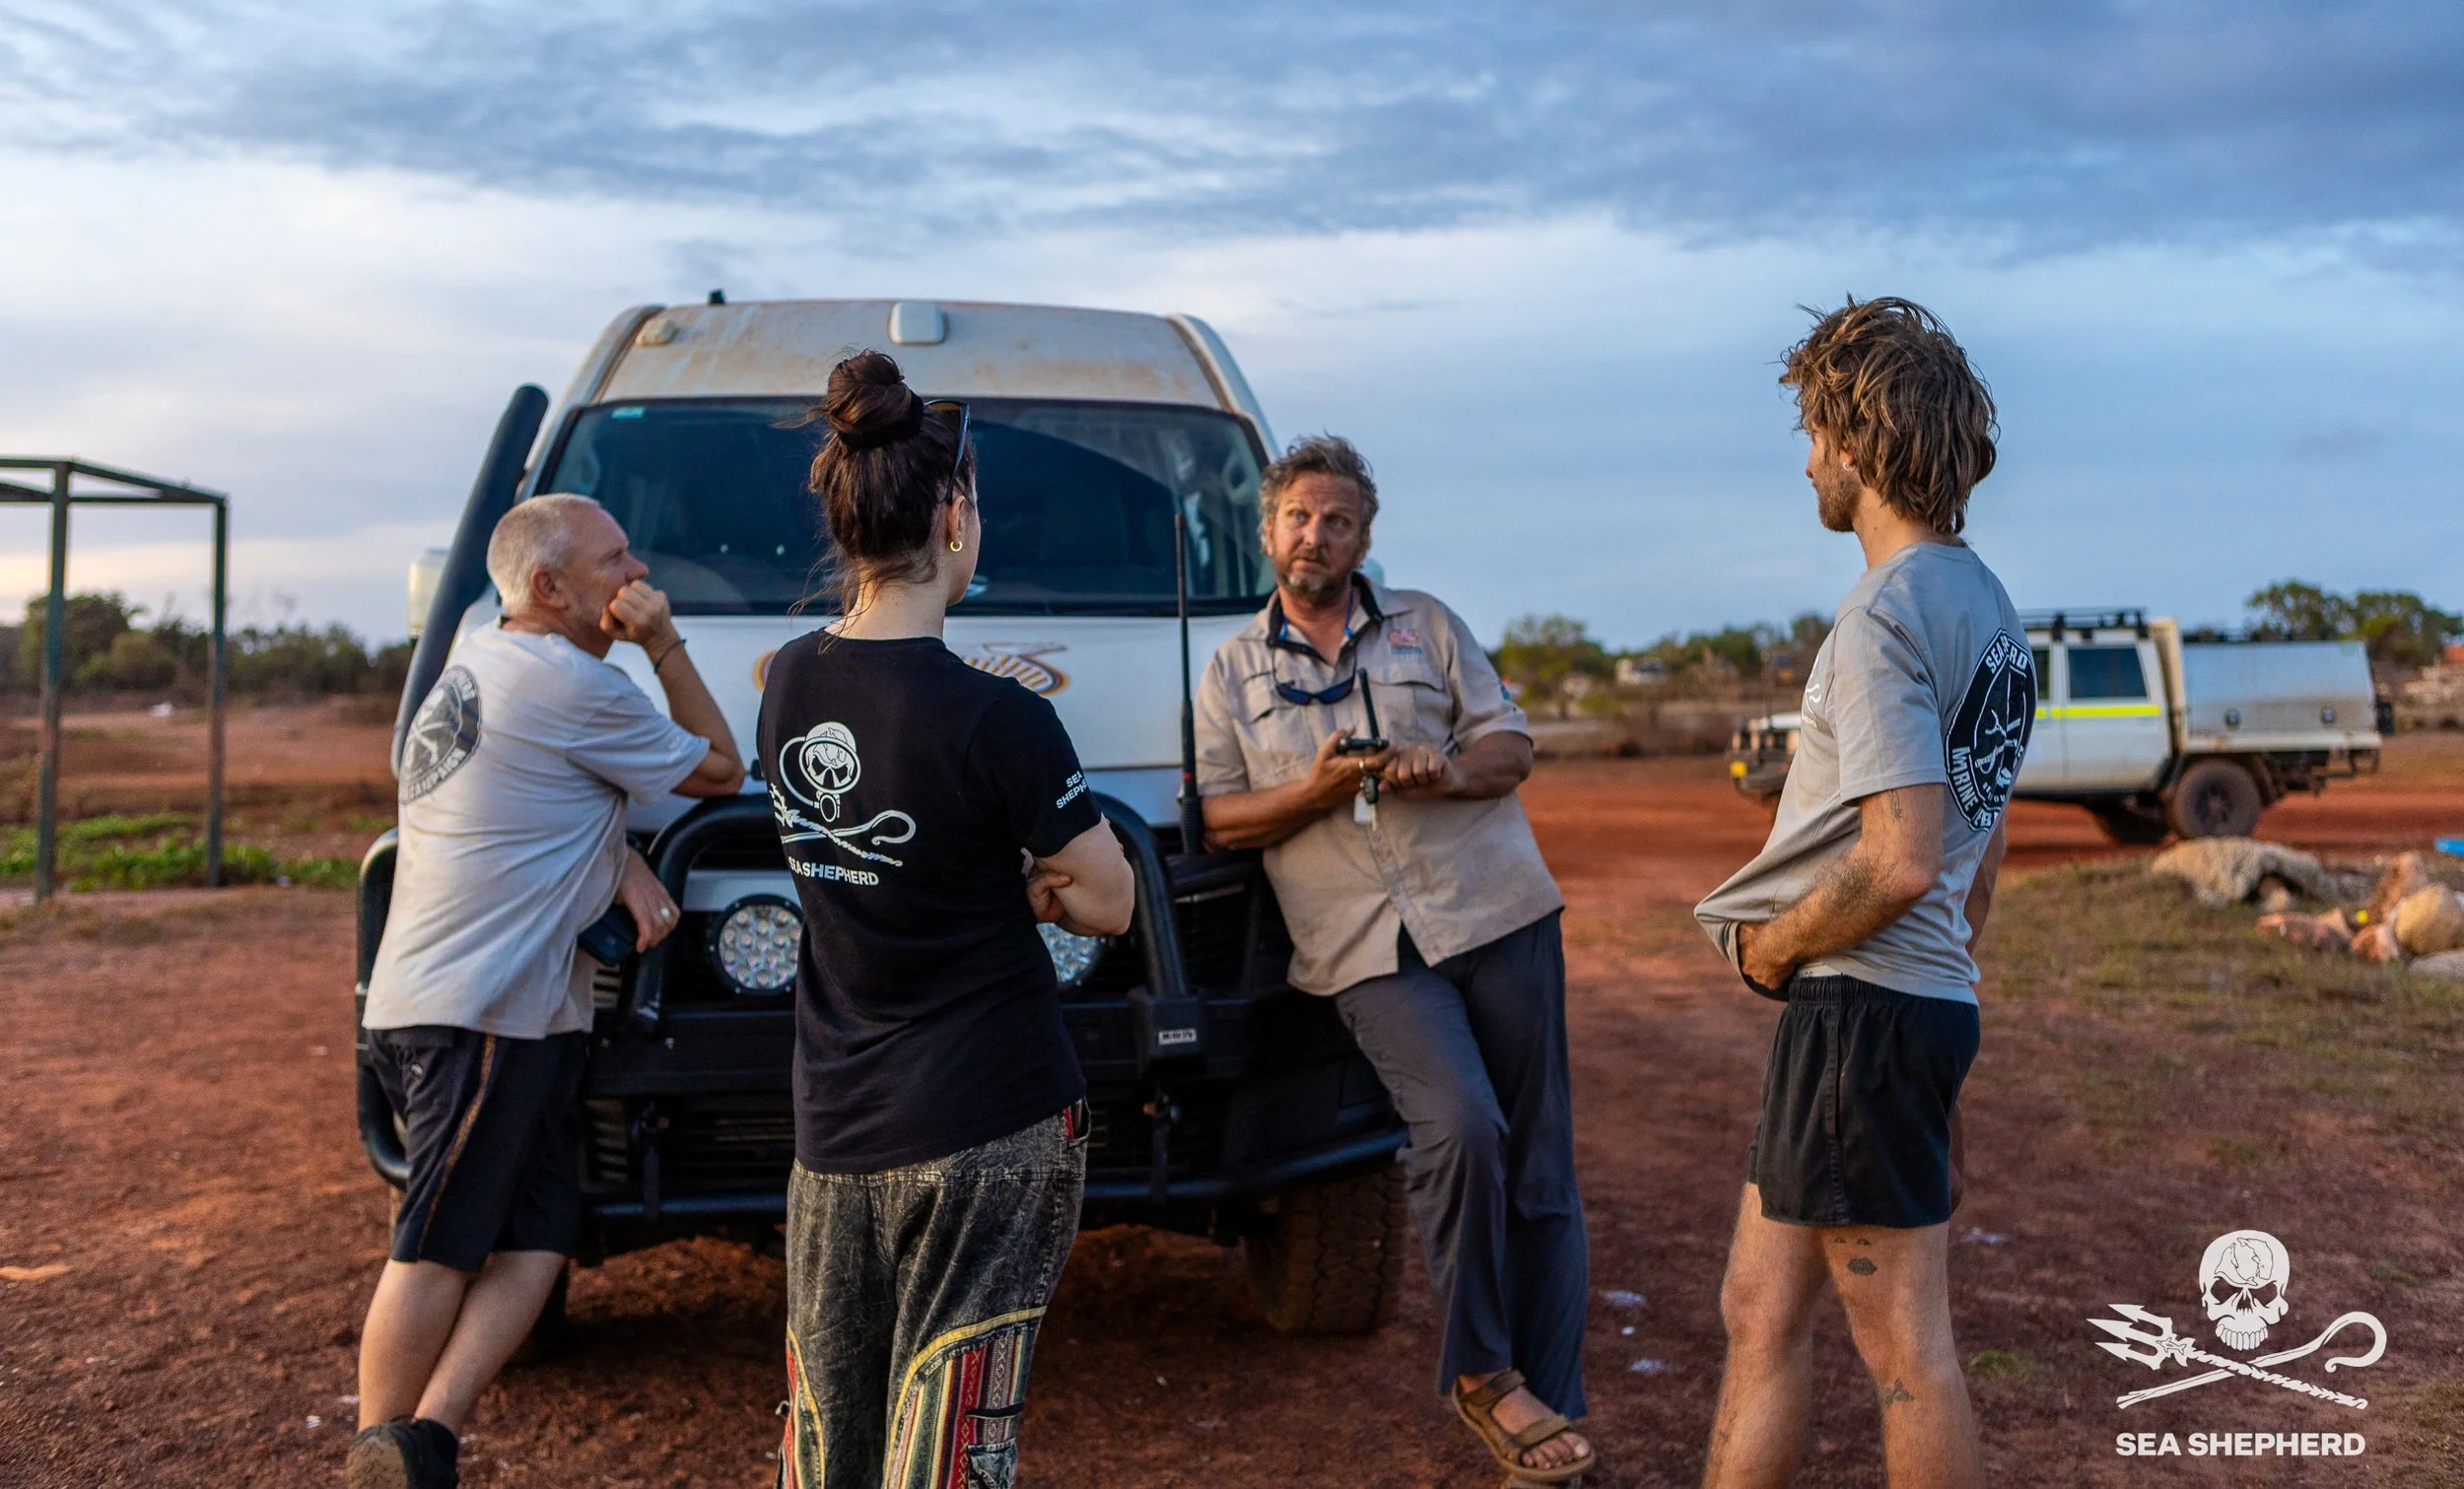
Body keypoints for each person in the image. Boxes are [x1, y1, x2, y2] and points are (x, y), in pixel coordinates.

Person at [761, 351, 1134, 1489]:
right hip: (990, 1113)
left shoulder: (784, 679)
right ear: (956, 515)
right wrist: (1023, 875)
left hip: (835, 1123)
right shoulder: (1001, 717)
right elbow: (1109, 903)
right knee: (950, 1427)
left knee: (831, 1429)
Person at [1194, 437, 1594, 1485]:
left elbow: (1511, 744)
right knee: (1460, 1126)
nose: (1314, 535)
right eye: (1297, 516)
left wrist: (1443, 767)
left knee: (1540, 1166)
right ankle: (1482, 1374)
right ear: (1268, 528)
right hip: (1365, 947)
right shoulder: (1233, 669)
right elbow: (1224, 817)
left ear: (1364, 536)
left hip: (1495, 910)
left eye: (1335, 519)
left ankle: (1547, 1390)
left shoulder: (1426, 624)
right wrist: (1320, 789)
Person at [1693, 298, 2031, 1489]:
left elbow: (1901, 855)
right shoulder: (1987, 607)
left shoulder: (1883, 613)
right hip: (1908, 1007)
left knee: (1904, 1353)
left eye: (1811, 433)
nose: (1804, 461)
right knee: (1756, 1304)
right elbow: (1975, 863)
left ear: (1858, 440)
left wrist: (1772, 950)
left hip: (1862, 1013)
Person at [351, 494, 746, 1489]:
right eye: (617, 562)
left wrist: (611, 855)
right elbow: (722, 769)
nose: (638, 575)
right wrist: (664, 644)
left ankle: (424, 1443)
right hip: (478, 1013)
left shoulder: (478, 662)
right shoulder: (573, 682)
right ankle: (374, 1450)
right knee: (439, 1242)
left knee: (537, 1233)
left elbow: (522, 801)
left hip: (463, 1005)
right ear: (549, 588)